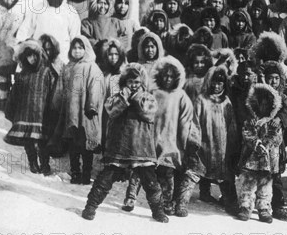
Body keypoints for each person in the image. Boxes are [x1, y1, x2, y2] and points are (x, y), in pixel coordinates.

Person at [81, 63, 169, 223]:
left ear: (142, 82)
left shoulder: (148, 97)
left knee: (150, 182)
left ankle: (158, 211)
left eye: (137, 82)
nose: (134, 85)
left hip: (141, 148)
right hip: (119, 146)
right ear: (124, 81)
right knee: (106, 178)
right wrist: (124, 97)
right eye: (130, 81)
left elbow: (149, 114)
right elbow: (111, 110)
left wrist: (135, 97)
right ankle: (90, 206)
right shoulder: (117, 96)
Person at [150, 56, 196, 216]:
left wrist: (183, 145)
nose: (168, 79)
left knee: (168, 176)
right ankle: (155, 201)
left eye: (171, 76)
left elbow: (186, 121)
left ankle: (168, 202)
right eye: (165, 75)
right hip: (154, 142)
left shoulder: (181, 96)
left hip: (172, 145)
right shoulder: (154, 93)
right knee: (155, 176)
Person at [191, 65, 239, 215]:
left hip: (221, 144)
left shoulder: (226, 101)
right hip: (205, 141)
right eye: (214, 82)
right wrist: (194, 141)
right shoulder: (201, 100)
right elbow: (195, 121)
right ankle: (200, 193)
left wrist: (232, 144)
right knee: (200, 168)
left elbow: (231, 125)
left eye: (220, 83)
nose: (217, 86)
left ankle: (230, 201)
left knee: (224, 173)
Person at [4, 40, 56, 175]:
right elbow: (14, 94)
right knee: (28, 140)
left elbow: (53, 92)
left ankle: (45, 163)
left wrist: (52, 110)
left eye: (34, 55)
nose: (32, 59)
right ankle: (32, 162)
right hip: (24, 113)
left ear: (39, 56)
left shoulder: (46, 72)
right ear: (24, 57)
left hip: (41, 113)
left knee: (42, 140)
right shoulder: (22, 75)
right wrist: (10, 109)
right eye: (28, 56)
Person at [59, 35, 105, 185]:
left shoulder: (91, 67)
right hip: (72, 112)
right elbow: (62, 88)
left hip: (86, 112)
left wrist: (92, 105)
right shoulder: (69, 67)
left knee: (86, 145)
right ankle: (75, 173)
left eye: (80, 48)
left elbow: (96, 86)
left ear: (87, 50)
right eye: (74, 48)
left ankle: (86, 174)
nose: (77, 51)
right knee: (73, 143)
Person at [235, 83, 283, 223]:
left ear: (272, 106)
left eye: (267, 104)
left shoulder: (274, 122)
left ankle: (264, 208)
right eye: (260, 103)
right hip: (251, 158)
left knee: (265, 184)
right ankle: (245, 206)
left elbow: (277, 137)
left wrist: (266, 144)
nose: (263, 107)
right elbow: (247, 134)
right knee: (248, 183)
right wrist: (256, 143)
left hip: (268, 160)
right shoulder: (250, 120)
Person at [17, 0, 81, 63]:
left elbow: (75, 37)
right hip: (39, 59)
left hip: (63, 59)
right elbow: (24, 31)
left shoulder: (70, 12)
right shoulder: (37, 9)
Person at [260, 61, 287, 221]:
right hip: (260, 140)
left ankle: (278, 205)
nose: (273, 82)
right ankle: (255, 203)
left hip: (275, 142)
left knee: (275, 174)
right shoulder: (258, 94)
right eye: (270, 78)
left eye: (276, 78)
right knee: (258, 173)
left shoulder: (283, 96)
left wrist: (280, 119)